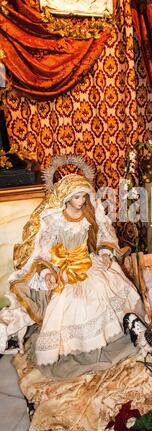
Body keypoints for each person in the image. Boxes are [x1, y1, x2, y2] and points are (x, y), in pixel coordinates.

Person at [2, 155, 143, 378]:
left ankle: (121, 329)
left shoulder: (89, 214)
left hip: (87, 262)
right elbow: (44, 250)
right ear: (66, 198)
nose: (81, 200)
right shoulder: (55, 220)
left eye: (83, 196)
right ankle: (80, 345)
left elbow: (104, 233)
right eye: (76, 197)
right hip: (66, 267)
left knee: (106, 285)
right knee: (73, 302)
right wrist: (48, 271)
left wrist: (105, 252)